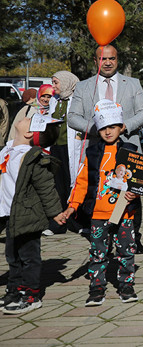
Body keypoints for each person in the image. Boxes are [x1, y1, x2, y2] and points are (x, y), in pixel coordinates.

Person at [56, 100, 142, 306]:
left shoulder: (130, 150)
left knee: (126, 250)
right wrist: (72, 206)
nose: (108, 131)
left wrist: (135, 194)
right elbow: (82, 182)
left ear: (121, 127)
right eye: (103, 128)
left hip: (124, 212)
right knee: (97, 252)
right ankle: (96, 287)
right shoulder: (92, 152)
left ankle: (126, 284)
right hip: (98, 214)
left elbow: (138, 181)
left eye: (112, 127)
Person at [67, 44, 143, 252]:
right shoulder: (84, 86)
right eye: (103, 59)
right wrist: (99, 129)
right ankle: (101, 235)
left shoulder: (132, 84)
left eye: (111, 58)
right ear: (96, 61)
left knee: (131, 191)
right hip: (97, 148)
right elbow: (73, 117)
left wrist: (123, 127)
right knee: (98, 191)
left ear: (117, 59)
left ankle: (133, 236)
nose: (108, 62)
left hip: (127, 146)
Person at [0, 118, 63, 315]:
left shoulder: (33, 158)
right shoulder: (9, 148)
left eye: (30, 120)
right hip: (10, 214)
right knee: (12, 255)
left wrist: (56, 213)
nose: (25, 117)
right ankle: (14, 290)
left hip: (29, 215)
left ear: (29, 134)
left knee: (29, 257)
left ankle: (31, 295)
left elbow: (46, 188)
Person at [44, 70, 81, 236]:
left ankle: (76, 221)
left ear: (66, 83)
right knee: (57, 185)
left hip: (72, 148)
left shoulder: (77, 100)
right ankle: (57, 223)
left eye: (56, 83)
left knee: (73, 184)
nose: (53, 86)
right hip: (56, 148)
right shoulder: (54, 100)